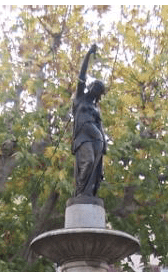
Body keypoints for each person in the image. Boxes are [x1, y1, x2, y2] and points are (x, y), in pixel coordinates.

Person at [72, 44, 106, 197]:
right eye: (95, 86)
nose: (96, 90)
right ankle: (80, 192)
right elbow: (82, 75)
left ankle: (89, 193)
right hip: (83, 137)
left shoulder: (95, 108)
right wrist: (88, 54)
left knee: (95, 169)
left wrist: (104, 143)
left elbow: (101, 126)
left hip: (97, 137)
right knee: (89, 161)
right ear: (90, 86)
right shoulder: (80, 98)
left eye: (99, 90)